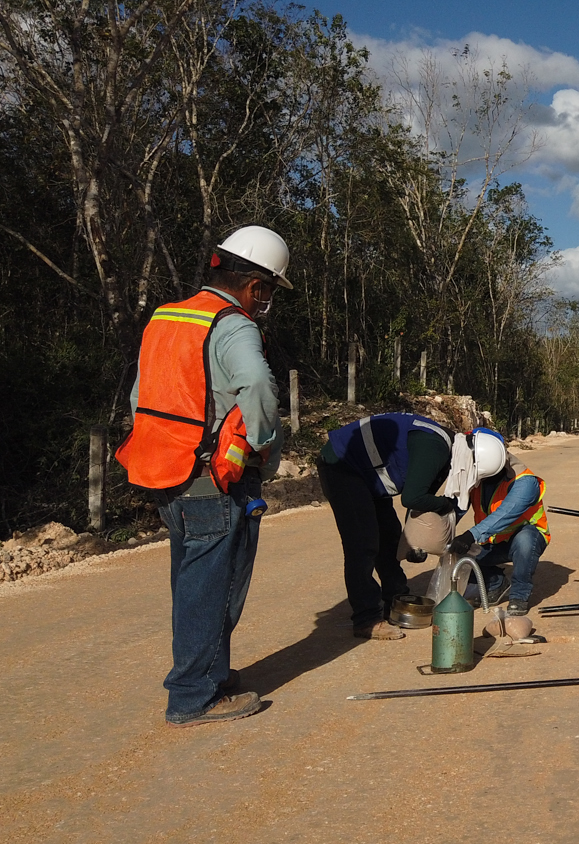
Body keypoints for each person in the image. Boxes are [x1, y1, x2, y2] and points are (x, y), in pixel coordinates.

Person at [116, 225, 290, 727]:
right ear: (256, 287)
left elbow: (140, 397)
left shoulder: (167, 317)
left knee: (199, 579)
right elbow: (256, 383)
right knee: (210, 585)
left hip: (165, 471)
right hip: (213, 476)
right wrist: (260, 444)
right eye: (270, 291)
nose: (267, 301)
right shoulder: (233, 325)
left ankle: (210, 672)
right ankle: (192, 696)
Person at [316, 412, 460, 640]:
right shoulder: (435, 447)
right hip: (342, 466)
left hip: (368, 474)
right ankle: (367, 619)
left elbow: (418, 504)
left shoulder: (443, 446)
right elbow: (413, 498)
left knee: (389, 536)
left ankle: (396, 601)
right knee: (363, 543)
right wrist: (446, 505)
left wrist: (413, 541)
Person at [447, 430, 548, 617]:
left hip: (525, 538)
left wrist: (470, 536)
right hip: (492, 541)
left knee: (525, 541)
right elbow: (456, 508)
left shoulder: (525, 483)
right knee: (458, 559)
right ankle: (496, 583)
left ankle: (519, 595)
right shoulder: (476, 475)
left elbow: (503, 515)